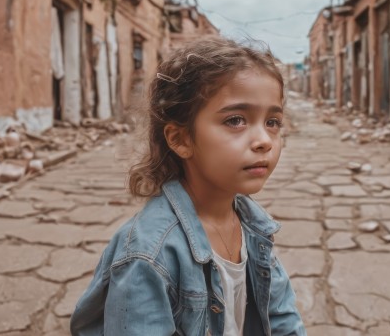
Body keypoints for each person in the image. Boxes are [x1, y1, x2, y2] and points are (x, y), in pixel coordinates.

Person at [70, 36, 306, 336]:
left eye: (273, 122)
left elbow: (282, 318)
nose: (264, 141)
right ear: (180, 139)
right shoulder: (147, 255)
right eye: (235, 120)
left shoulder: (252, 225)